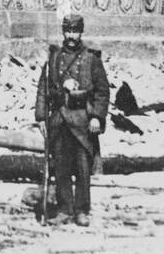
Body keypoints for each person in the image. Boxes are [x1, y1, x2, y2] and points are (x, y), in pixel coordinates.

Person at [34, 14, 109, 226]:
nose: (71, 36)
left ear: (81, 32)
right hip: (59, 119)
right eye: (68, 31)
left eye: (75, 31)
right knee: (61, 168)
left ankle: (82, 210)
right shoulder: (54, 58)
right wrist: (41, 117)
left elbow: (102, 92)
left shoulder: (91, 59)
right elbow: (43, 88)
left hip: (82, 121)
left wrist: (97, 117)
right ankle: (64, 209)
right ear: (63, 32)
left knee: (83, 168)